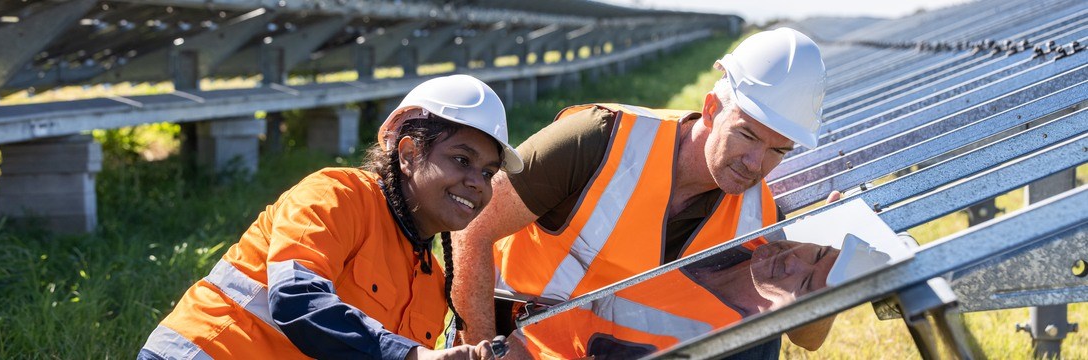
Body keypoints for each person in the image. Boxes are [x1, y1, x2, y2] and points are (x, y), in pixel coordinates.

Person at [450, 27, 837, 358]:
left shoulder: (760, 215)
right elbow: (471, 229)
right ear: (711, 108)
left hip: (610, 349)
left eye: (777, 150)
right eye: (747, 134)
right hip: (516, 340)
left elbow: (807, 339)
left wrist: (837, 267)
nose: (755, 163)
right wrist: (489, 349)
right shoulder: (597, 139)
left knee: (758, 333)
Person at [138, 74, 523, 360]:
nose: (478, 183)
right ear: (407, 154)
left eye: (488, 172)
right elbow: (295, 300)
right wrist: (414, 356)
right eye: (461, 160)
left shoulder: (430, 284)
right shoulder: (335, 196)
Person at [508, 240, 842, 359]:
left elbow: (808, 337)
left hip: (521, 348)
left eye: (807, 281)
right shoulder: (758, 226)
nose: (795, 258)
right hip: (510, 292)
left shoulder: (736, 349)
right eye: (819, 251)